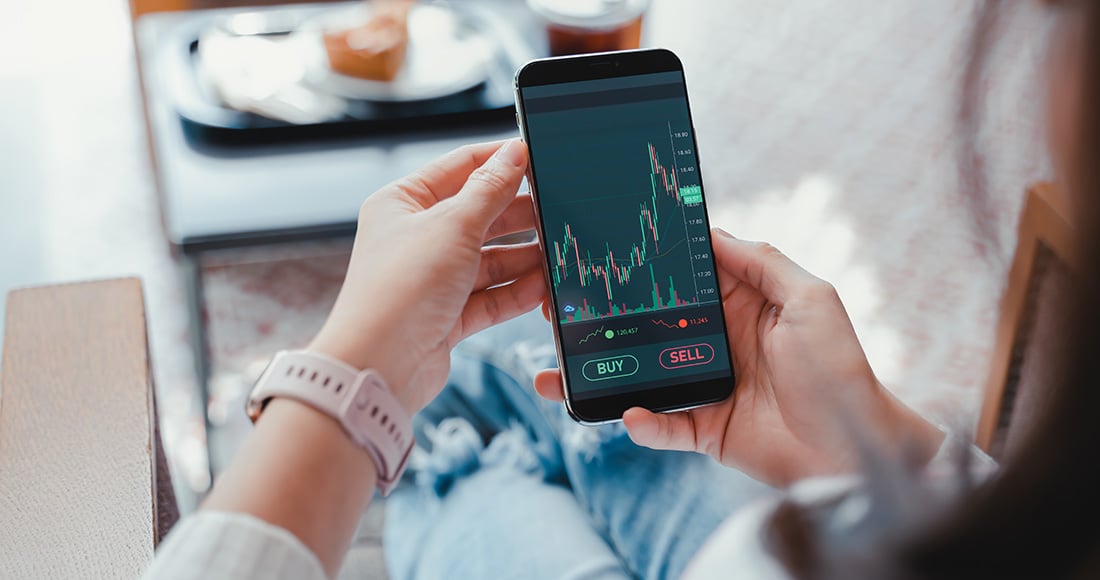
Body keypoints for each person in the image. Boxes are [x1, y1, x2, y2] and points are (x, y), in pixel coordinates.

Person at [141, 0, 1100, 578]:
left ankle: (440, 449)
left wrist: (351, 371)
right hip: (861, 525)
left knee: (464, 437)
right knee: (529, 374)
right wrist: (871, 444)